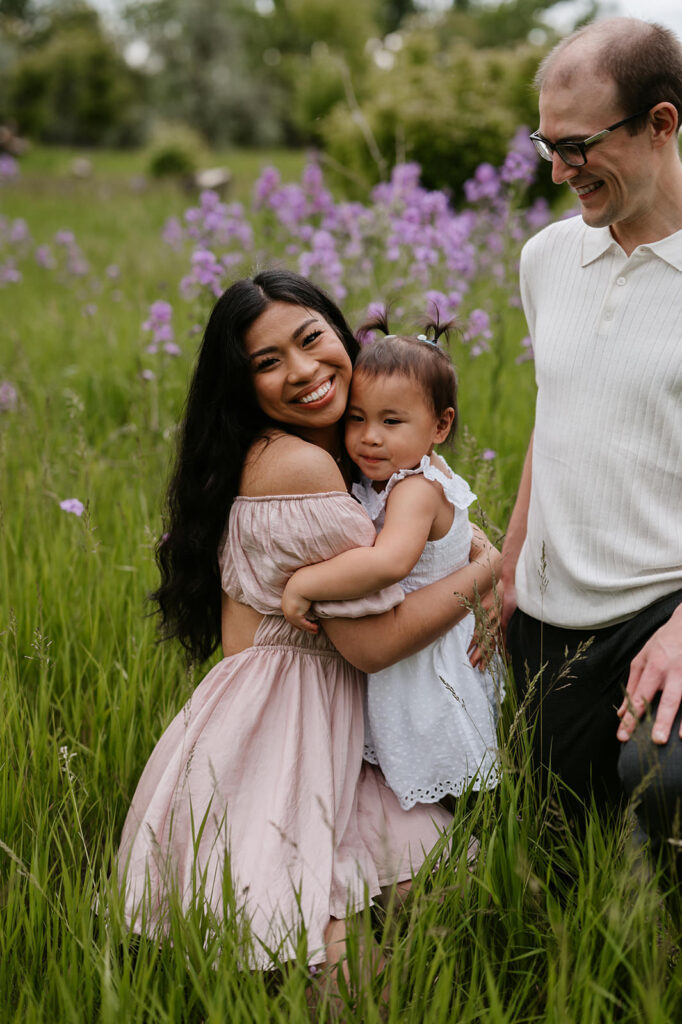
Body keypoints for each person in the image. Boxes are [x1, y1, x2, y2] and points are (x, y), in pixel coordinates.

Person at [117, 270, 502, 974]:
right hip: (283, 739)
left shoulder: (345, 455)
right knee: (332, 950)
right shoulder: (297, 466)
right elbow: (375, 644)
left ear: (340, 331)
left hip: (331, 730)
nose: (303, 371)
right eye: (267, 363)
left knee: (464, 910)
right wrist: (487, 570)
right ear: (243, 386)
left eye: (311, 339)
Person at [501, 17, 682, 868]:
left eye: (578, 145)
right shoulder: (544, 259)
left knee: (660, 778)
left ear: (662, 123)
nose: (560, 170)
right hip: (546, 619)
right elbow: (556, 415)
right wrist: (508, 562)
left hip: (662, 610)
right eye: (547, 144)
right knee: (561, 863)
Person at [282, 317, 502, 812]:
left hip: (427, 662)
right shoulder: (394, 473)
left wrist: (305, 583)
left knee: (447, 777)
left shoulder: (416, 489)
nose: (369, 438)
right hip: (416, 649)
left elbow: (392, 562)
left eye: (391, 421)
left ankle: (475, 851)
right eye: (356, 418)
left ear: (440, 426)